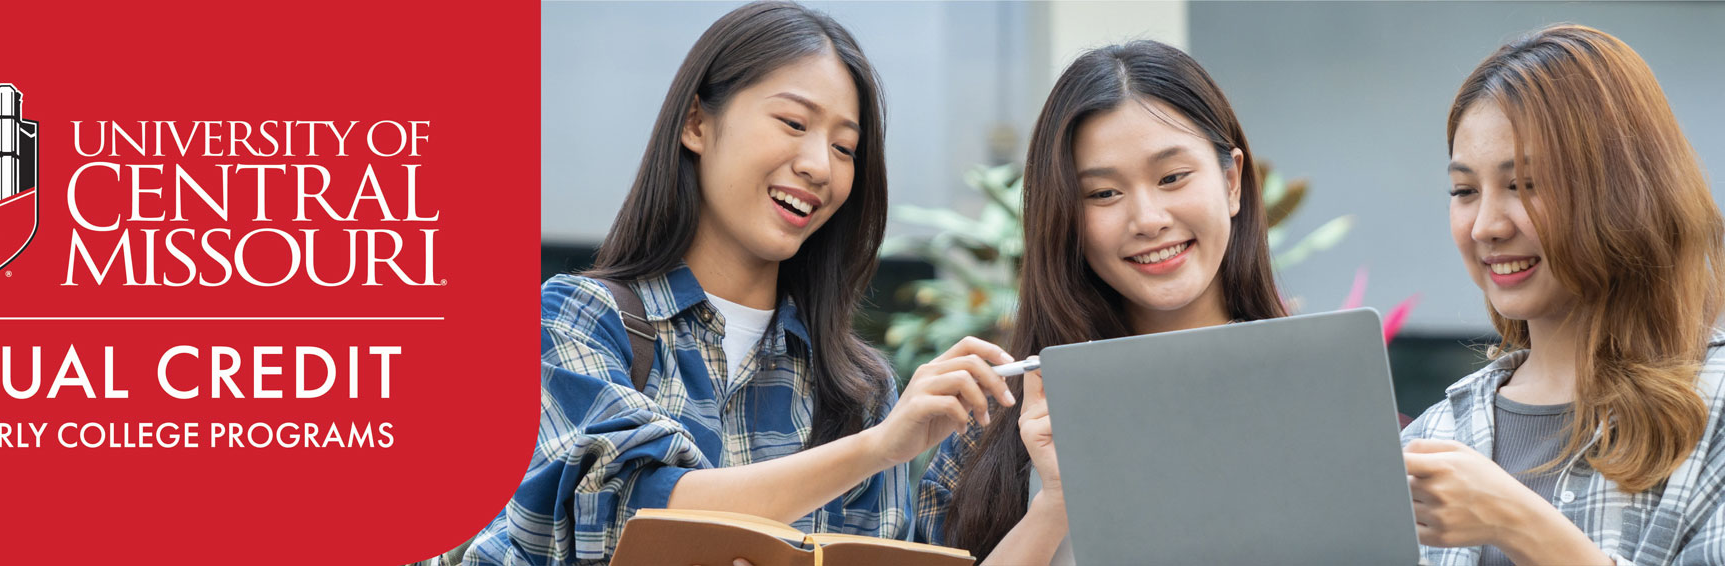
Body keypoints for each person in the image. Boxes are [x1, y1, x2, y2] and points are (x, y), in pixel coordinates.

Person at [456, 2, 1014, 564]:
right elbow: (628, 519)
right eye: (794, 123)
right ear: (696, 123)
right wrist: (875, 449)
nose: (820, 165)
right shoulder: (576, 320)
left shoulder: (859, 393)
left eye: (845, 148)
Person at [916, 39, 1288, 564]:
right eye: (1103, 194)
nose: (1148, 219)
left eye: (1172, 177)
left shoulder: (1313, 391)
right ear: (1065, 217)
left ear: (1231, 181)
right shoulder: (995, 428)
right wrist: (1057, 506)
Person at [1401, 24, 1725, 566]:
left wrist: (1516, 522)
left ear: (1627, 191)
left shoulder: (1712, 410)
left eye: (1526, 185)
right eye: (1464, 191)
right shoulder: (1436, 437)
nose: (1486, 226)